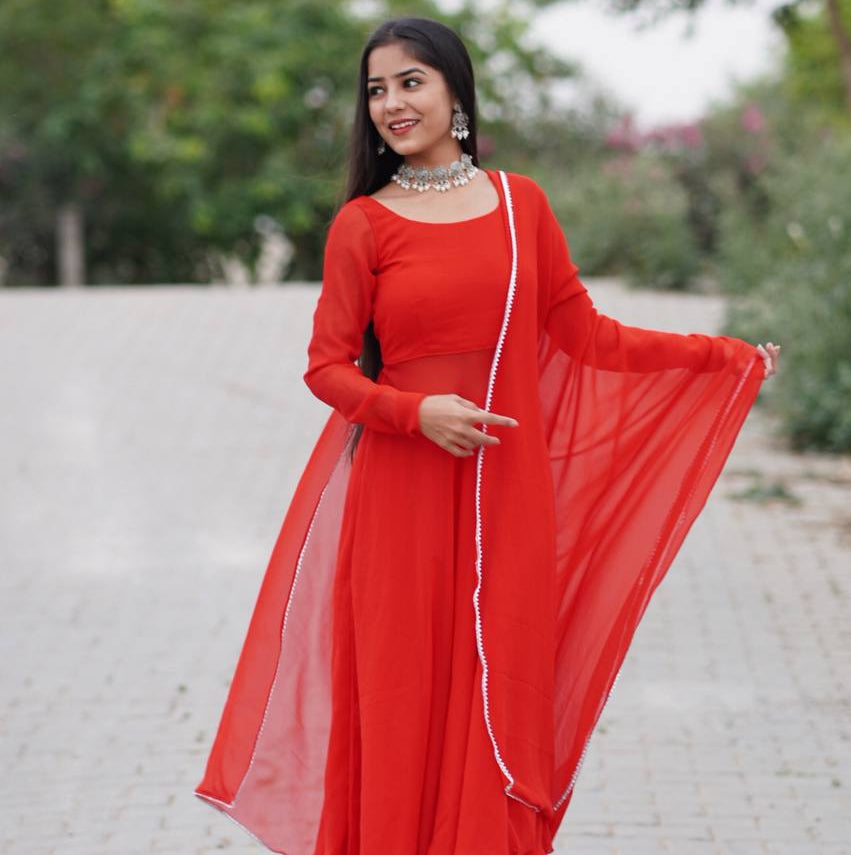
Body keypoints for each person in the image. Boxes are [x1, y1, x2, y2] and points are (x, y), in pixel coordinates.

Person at [193, 15, 781, 855]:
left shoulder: (519, 205)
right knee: (401, 697)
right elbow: (326, 368)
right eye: (376, 90)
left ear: (455, 94)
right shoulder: (364, 224)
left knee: (497, 690)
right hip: (399, 500)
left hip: (504, 496)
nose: (391, 103)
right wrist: (414, 412)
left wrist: (718, 357)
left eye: (410, 82)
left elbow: (588, 336)